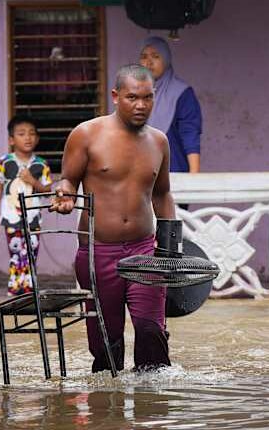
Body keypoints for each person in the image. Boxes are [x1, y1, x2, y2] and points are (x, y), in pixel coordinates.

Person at [50, 64, 176, 372]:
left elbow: (162, 194)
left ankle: (153, 411)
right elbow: (67, 179)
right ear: (116, 96)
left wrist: (172, 247)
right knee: (107, 342)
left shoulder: (159, 142)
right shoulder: (86, 135)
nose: (141, 105)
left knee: (150, 331)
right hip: (97, 251)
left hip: (145, 251)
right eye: (133, 97)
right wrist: (64, 194)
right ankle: (107, 410)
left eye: (148, 98)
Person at [0, 115, 52, 296]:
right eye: (21, 134)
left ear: (37, 139)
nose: (28, 137)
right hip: (11, 217)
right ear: (11, 140)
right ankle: (15, 289)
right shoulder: (4, 162)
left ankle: (29, 289)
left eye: (32, 134)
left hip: (33, 218)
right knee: (16, 253)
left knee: (32, 253)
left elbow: (47, 191)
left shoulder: (41, 164)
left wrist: (32, 180)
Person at [139, 36, 202, 175]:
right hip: (139, 175)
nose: (148, 63)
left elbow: (190, 133)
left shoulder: (181, 93)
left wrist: (195, 176)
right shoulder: (135, 92)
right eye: (144, 57)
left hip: (173, 172)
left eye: (155, 56)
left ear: (166, 60)